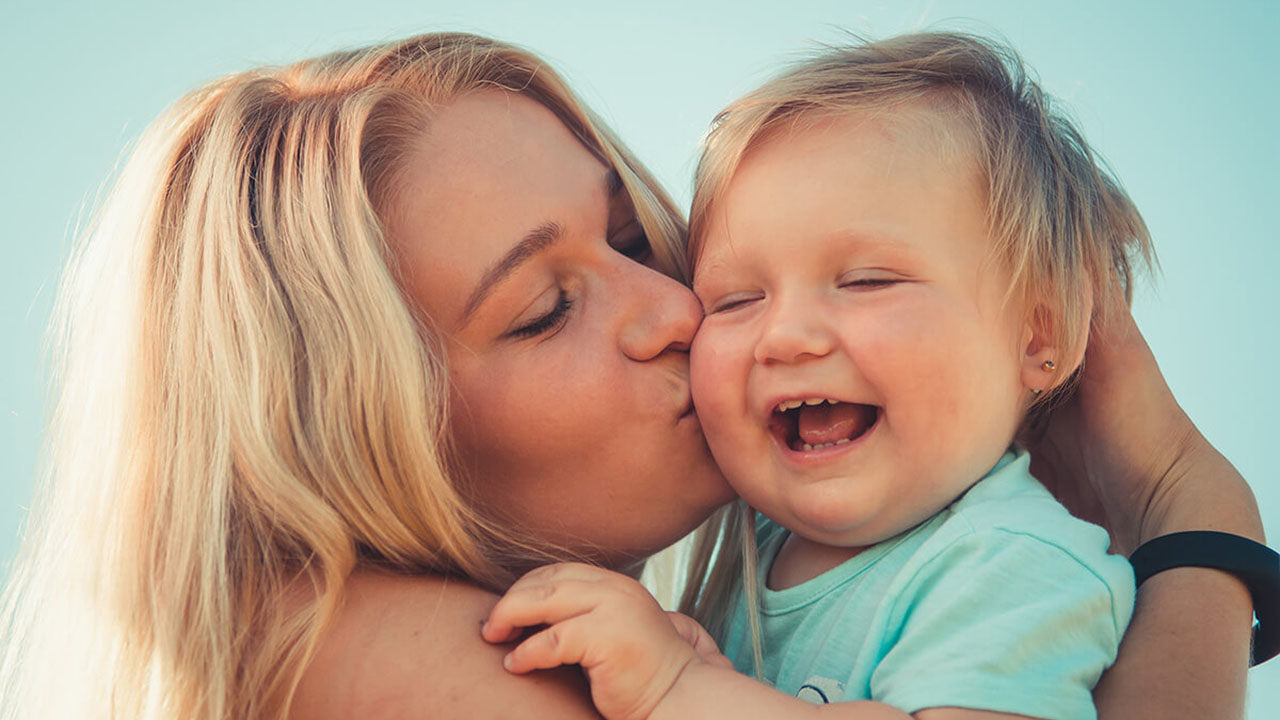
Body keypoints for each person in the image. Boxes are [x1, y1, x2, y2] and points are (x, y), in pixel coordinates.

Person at [0, 31, 1263, 720]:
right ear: (354, 435)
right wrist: (1193, 518)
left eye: (630, 239)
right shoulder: (380, 659)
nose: (676, 310)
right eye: (548, 307)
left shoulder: (787, 590)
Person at [482, 32, 1157, 720]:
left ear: (1040, 335)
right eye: (736, 301)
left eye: (866, 281)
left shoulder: (1016, 563)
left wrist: (680, 690)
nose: (785, 337)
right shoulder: (748, 553)